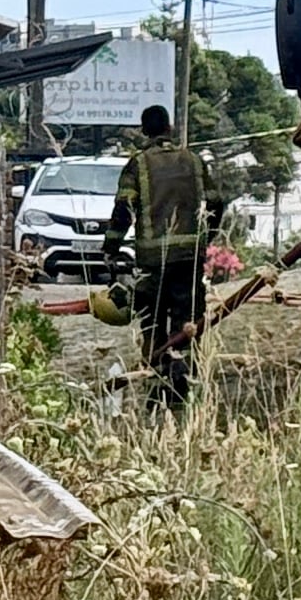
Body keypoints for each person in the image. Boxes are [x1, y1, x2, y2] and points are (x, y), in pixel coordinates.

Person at [101, 104, 215, 406]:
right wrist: (207, 237)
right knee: (187, 319)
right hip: (190, 258)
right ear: (170, 128)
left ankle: (156, 381)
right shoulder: (194, 161)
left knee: (152, 321)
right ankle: (182, 380)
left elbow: (123, 209)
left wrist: (110, 248)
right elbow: (217, 201)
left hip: (152, 261)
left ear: (144, 131)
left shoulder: (138, 165)